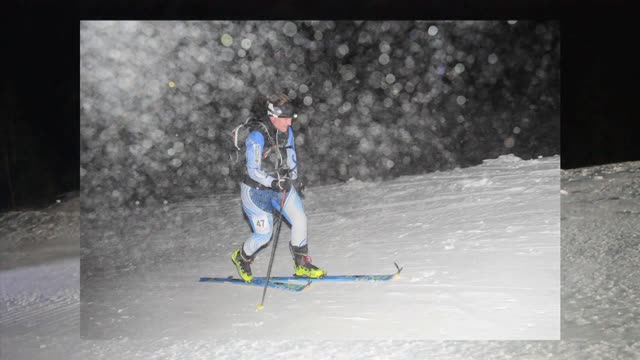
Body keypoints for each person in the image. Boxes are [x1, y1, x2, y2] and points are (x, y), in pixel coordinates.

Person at [231, 94, 325, 282]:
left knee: (300, 219)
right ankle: (242, 257)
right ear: (273, 117)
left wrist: (295, 178)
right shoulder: (256, 136)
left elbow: (291, 156)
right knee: (264, 235)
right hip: (255, 192)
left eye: (291, 118)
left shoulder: (285, 132)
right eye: (285, 119)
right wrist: (273, 183)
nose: (289, 123)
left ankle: (302, 265)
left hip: (280, 186)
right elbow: (253, 170)